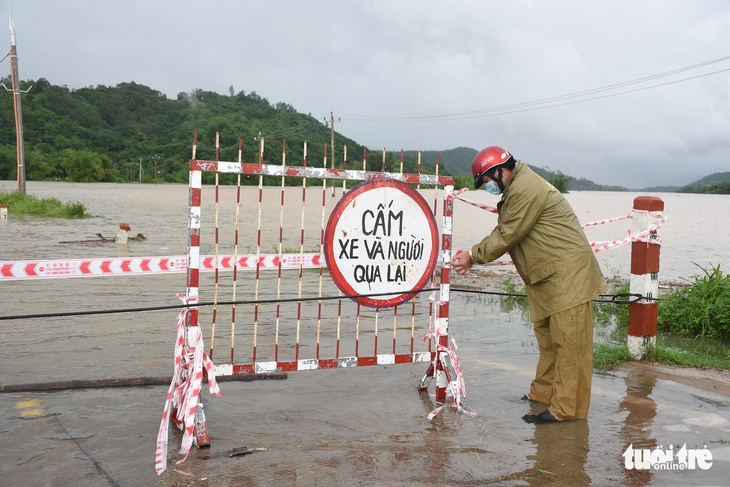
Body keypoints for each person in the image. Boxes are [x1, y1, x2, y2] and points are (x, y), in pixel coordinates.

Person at [451, 146, 606, 424]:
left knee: (570, 345)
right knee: (549, 343)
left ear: (500, 171)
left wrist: (473, 255)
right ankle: (542, 396)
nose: (487, 186)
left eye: (487, 180)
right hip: (548, 278)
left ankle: (566, 410)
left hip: (567, 277)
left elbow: (508, 233)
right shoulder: (517, 186)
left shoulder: (525, 188)